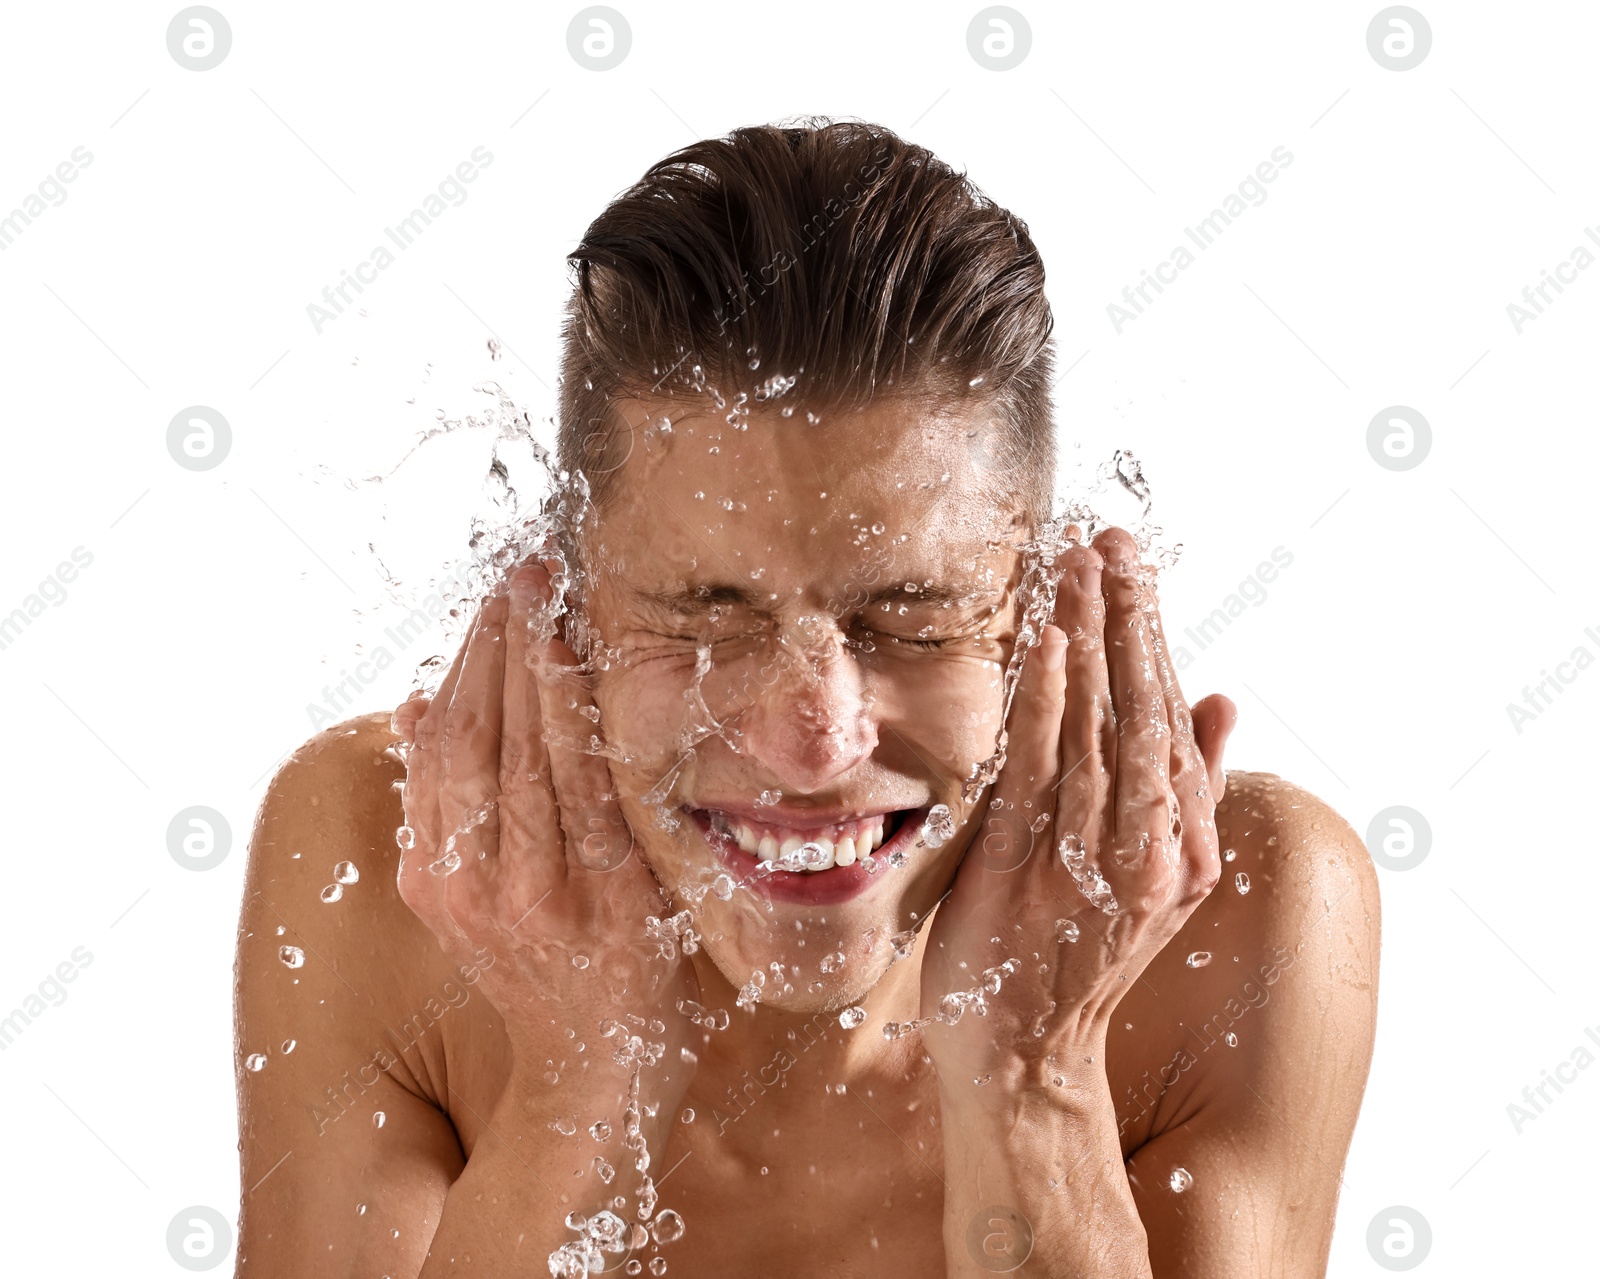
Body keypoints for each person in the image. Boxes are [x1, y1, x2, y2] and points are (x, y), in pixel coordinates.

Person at [234, 119, 1379, 1277]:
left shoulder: (1235, 915)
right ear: (567, 622)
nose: (813, 741)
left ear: (1039, 622)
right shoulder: (394, 868)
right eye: (705, 615)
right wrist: (577, 1082)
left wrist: (1034, 1081)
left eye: (913, 617)